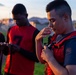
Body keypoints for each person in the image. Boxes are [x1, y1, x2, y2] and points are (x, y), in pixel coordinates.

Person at [35, 0, 76, 75]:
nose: (49, 25)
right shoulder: (56, 36)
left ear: (65, 18)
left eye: (52, 20)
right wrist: (37, 40)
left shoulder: (73, 42)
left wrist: (50, 59)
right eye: (49, 21)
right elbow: (42, 60)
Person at [4, 3, 39, 75]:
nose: (16, 22)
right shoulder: (11, 30)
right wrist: (3, 48)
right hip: (8, 71)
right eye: (14, 19)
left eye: (19, 19)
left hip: (24, 73)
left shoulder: (35, 32)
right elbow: (7, 52)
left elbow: (37, 58)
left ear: (26, 16)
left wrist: (20, 50)